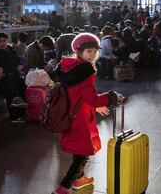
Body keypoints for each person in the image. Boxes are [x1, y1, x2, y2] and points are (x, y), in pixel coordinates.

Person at [52, 33, 124, 194]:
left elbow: (78, 94)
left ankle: (80, 180)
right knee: (83, 153)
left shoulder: (68, 65)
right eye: (88, 52)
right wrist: (113, 97)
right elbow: (91, 98)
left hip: (70, 113)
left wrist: (94, 106)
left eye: (94, 51)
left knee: (78, 149)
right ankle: (63, 188)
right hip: (80, 119)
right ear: (79, 51)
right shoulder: (85, 70)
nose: (92, 55)